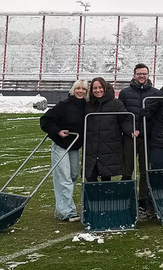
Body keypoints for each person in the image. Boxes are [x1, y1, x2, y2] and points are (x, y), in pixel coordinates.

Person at [117, 63, 163, 216]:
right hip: (130, 137)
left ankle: (143, 200)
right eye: (139, 74)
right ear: (134, 75)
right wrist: (130, 130)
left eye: (144, 73)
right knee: (127, 168)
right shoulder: (125, 93)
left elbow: (158, 116)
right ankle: (126, 197)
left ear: (148, 75)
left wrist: (147, 122)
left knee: (145, 169)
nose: (142, 76)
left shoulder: (155, 93)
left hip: (148, 137)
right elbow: (122, 116)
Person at [39, 79, 87, 222]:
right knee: (64, 178)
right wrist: (58, 131)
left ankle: (61, 209)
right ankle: (68, 211)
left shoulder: (86, 106)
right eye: (78, 88)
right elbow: (45, 121)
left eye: (84, 89)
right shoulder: (64, 105)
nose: (81, 91)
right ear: (73, 89)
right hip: (61, 145)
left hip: (74, 146)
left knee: (73, 176)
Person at [84, 77, 137, 182]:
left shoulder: (116, 104)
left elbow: (125, 120)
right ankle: (93, 198)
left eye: (100, 87)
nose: (97, 90)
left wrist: (131, 131)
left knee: (106, 176)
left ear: (105, 88)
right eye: (95, 88)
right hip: (91, 146)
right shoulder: (88, 105)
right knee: (90, 176)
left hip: (109, 145)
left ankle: (106, 198)